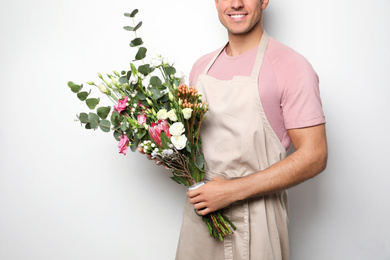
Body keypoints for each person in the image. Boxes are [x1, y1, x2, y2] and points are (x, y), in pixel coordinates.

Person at [140, 0, 327, 259]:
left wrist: (230, 191)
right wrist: (167, 151)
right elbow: (198, 145)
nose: (236, 3)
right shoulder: (201, 67)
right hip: (202, 213)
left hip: (259, 217)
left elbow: (315, 156)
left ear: (264, 1)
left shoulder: (293, 67)